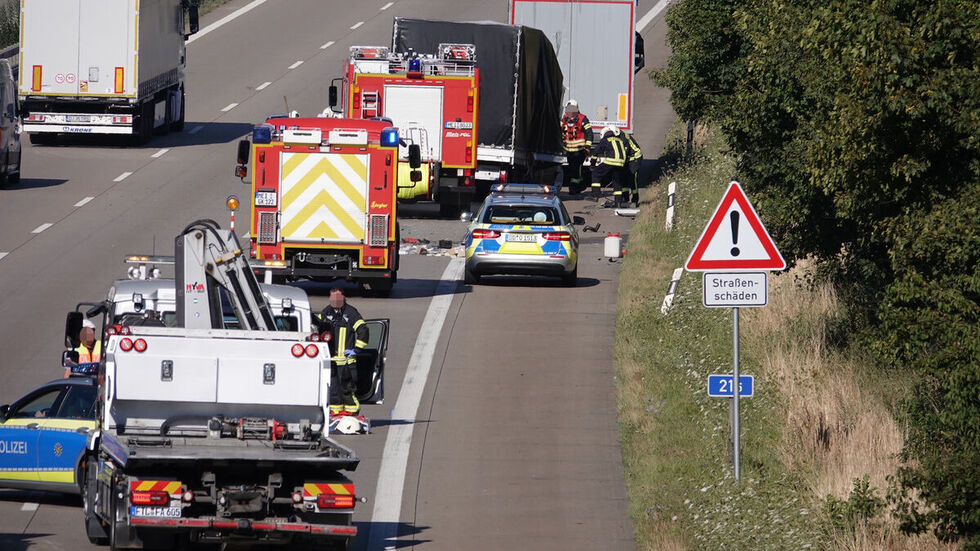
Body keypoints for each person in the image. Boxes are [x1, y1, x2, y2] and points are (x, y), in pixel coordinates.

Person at [318, 288, 369, 417]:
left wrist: (356, 350)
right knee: (333, 390)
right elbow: (317, 330)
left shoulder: (351, 313)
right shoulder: (326, 312)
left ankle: (352, 414)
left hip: (347, 361)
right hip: (331, 361)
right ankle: (336, 413)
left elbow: (363, 330)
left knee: (347, 390)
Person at [560, 99, 592, 194]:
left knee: (575, 168)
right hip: (569, 150)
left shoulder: (583, 119)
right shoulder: (565, 119)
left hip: (580, 150)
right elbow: (560, 131)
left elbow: (589, 133)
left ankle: (574, 188)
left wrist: (588, 146)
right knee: (572, 168)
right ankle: (580, 185)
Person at [590, 126, 627, 205]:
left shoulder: (605, 140)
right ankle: (618, 202)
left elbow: (596, 152)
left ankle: (595, 195)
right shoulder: (619, 140)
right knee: (616, 181)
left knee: (596, 174)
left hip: (611, 161)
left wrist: (593, 164)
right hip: (621, 163)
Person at [620, 129, 643, 205]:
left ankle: (635, 199)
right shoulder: (616, 137)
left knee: (632, 177)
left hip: (635, 158)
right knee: (623, 178)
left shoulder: (623, 138)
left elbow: (624, 152)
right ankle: (625, 199)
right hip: (627, 159)